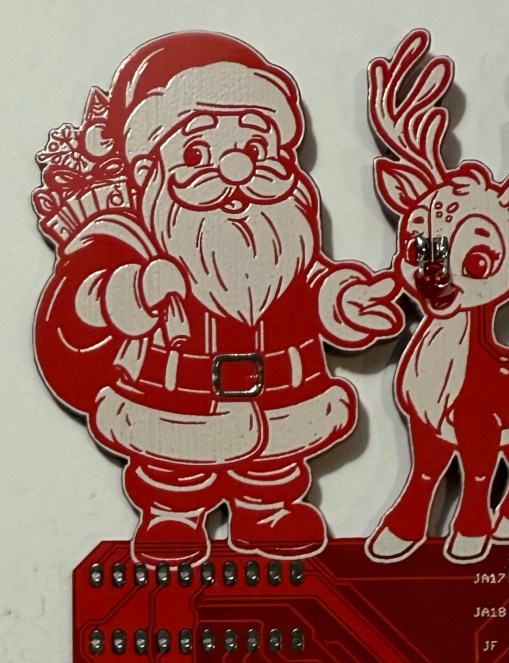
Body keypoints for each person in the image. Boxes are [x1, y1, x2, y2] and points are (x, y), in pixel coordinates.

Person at [35, 32, 404, 564]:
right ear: (149, 171)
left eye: (254, 149)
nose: (236, 170)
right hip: (174, 400)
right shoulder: (131, 240)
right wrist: (135, 291)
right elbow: (81, 302)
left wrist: (342, 304)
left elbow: (312, 284)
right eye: (197, 152)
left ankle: (267, 512)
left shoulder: (284, 246)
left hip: (282, 398)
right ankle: (173, 514)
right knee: (173, 468)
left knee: (273, 468)